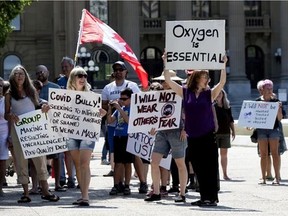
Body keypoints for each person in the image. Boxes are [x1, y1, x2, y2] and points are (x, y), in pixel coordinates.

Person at [164, 55, 227, 207]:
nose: (206, 79)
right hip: (193, 136)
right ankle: (204, 196)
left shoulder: (209, 93)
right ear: (197, 78)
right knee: (198, 167)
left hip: (207, 135)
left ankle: (211, 197)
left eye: (207, 76)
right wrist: (166, 62)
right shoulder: (185, 92)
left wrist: (223, 66)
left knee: (210, 166)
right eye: (204, 76)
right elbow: (168, 80)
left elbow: (222, 82)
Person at [4, 65, 59, 203]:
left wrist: (44, 107)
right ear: (12, 76)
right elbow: (5, 114)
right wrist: (11, 115)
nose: (19, 76)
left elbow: (38, 105)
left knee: (40, 160)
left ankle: (45, 191)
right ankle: (26, 193)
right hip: (18, 130)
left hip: (34, 129)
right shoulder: (9, 94)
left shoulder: (31, 90)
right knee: (21, 161)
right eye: (16, 73)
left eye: (21, 73)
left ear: (25, 76)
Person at [102, 61, 147, 194]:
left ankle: (142, 182)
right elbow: (103, 106)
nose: (118, 72)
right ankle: (119, 183)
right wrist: (111, 107)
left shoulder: (132, 85)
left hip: (131, 127)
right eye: (115, 69)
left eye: (121, 69)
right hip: (114, 127)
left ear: (126, 71)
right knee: (118, 157)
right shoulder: (108, 88)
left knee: (135, 155)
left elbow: (140, 103)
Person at [65, 66, 106, 206]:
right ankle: (82, 195)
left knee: (84, 163)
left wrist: (101, 113)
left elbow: (95, 114)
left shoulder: (92, 96)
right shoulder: (64, 97)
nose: (82, 78)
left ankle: (85, 196)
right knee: (77, 165)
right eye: (79, 75)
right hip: (71, 133)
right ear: (72, 78)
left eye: (84, 76)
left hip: (87, 133)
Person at [144, 72, 188, 203]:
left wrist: (185, 129)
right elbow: (153, 114)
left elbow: (190, 113)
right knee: (154, 161)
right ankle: (156, 192)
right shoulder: (158, 97)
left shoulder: (181, 95)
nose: (165, 83)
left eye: (167, 81)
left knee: (180, 163)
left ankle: (182, 193)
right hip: (162, 131)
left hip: (177, 131)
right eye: (163, 81)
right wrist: (152, 127)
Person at [35, 65, 66, 192]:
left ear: (48, 72)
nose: (40, 74)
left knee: (57, 156)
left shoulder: (56, 87)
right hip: (38, 126)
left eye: (42, 71)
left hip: (54, 125)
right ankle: (37, 185)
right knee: (38, 156)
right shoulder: (32, 88)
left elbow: (63, 106)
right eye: (38, 73)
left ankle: (58, 183)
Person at [107, 88, 134, 196]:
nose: (122, 101)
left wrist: (119, 108)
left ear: (131, 99)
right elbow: (110, 121)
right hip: (117, 136)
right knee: (117, 163)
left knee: (127, 163)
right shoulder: (120, 109)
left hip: (127, 137)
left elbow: (129, 121)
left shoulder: (132, 108)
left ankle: (127, 185)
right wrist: (110, 109)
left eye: (124, 99)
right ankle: (116, 184)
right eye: (120, 99)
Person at [256, 79, 282, 185]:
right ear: (262, 90)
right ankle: (263, 177)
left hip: (273, 129)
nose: (269, 90)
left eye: (271, 88)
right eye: (267, 88)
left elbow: (280, 119)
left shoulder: (275, 102)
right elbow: (255, 117)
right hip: (261, 130)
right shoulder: (257, 101)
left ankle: (277, 177)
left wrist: (279, 109)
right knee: (263, 154)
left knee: (275, 153)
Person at [57, 57, 76, 188]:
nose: (64, 69)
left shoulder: (80, 81)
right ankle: (67, 178)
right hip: (63, 121)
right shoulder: (59, 82)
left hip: (77, 121)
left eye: (66, 67)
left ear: (72, 67)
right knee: (65, 151)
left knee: (77, 151)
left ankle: (75, 176)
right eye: (62, 67)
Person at [214, 89, 235, 180]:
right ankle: (215, 175)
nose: (219, 95)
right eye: (217, 93)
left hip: (225, 132)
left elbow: (230, 120)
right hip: (214, 133)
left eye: (220, 93)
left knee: (224, 155)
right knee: (214, 155)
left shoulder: (227, 107)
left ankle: (225, 174)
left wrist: (233, 131)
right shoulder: (212, 106)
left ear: (223, 95)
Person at [0, 77, 9, 196]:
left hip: (4, 132)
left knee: (2, 160)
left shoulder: (6, 100)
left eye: (1, 86)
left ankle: (0, 186)